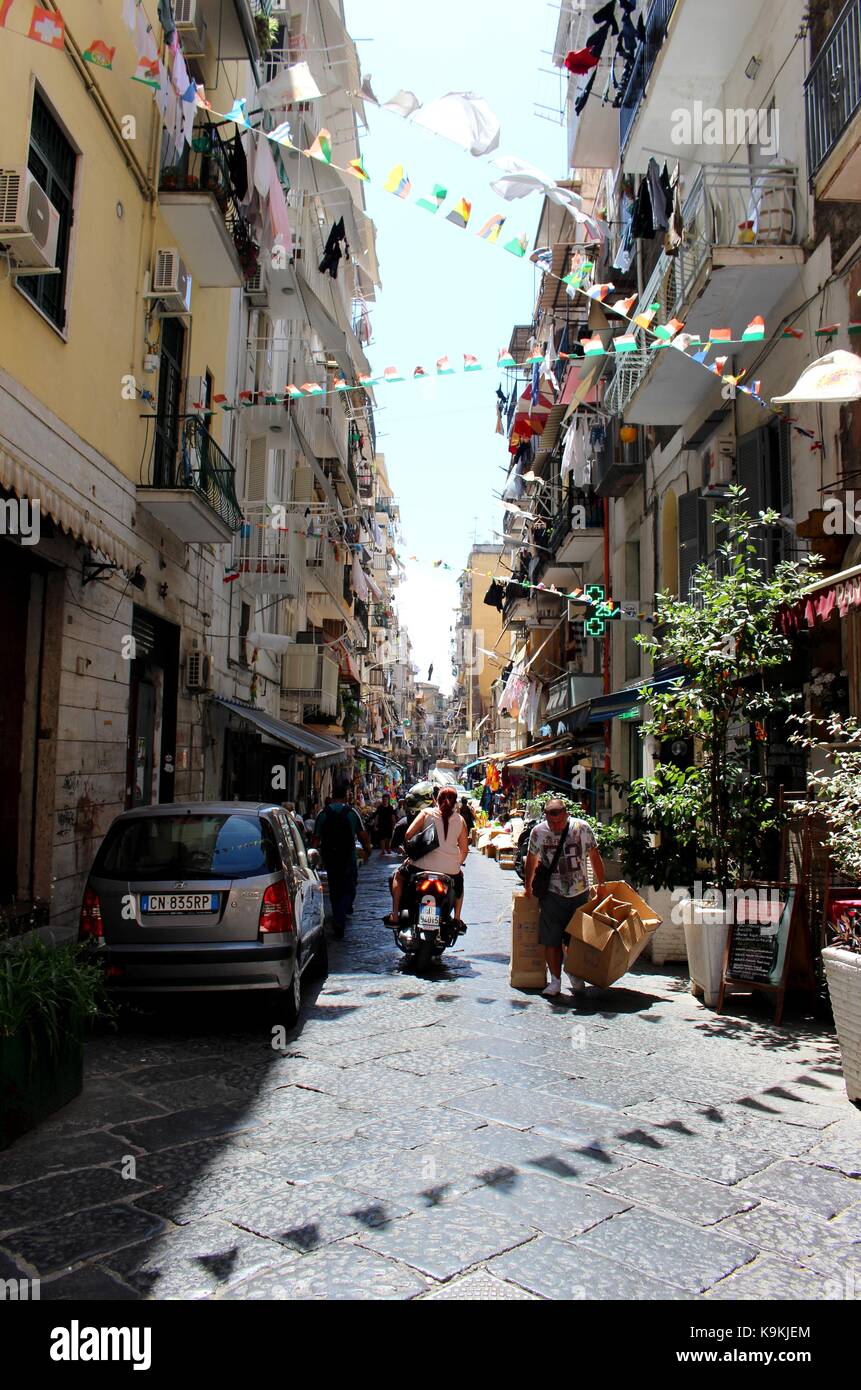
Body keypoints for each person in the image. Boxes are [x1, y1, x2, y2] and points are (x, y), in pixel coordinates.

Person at [523, 798, 605, 998]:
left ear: (567, 815)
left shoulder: (582, 828)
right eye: (552, 823)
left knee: (576, 939)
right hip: (552, 893)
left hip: (579, 892)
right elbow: (531, 860)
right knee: (551, 939)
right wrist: (528, 887)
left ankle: (574, 972)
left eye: (559, 822)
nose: (556, 827)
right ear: (546, 818)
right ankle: (555, 980)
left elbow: (594, 855)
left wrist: (601, 884)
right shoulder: (538, 832)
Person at [385, 786, 469, 926]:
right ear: (455, 803)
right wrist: (456, 864)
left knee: (398, 876)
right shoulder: (460, 820)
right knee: (460, 881)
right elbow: (464, 850)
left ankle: (394, 915)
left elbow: (408, 835)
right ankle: (457, 919)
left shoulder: (426, 813)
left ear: (435, 800)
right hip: (450, 869)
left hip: (419, 865)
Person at [314, 779, 371, 938]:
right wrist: (368, 849)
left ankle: (338, 913)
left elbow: (316, 838)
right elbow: (362, 834)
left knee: (334, 887)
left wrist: (314, 856)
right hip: (348, 857)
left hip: (330, 858)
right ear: (346, 796)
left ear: (332, 796)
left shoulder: (323, 813)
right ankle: (340, 917)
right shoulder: (352, 813)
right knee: (349, 887)